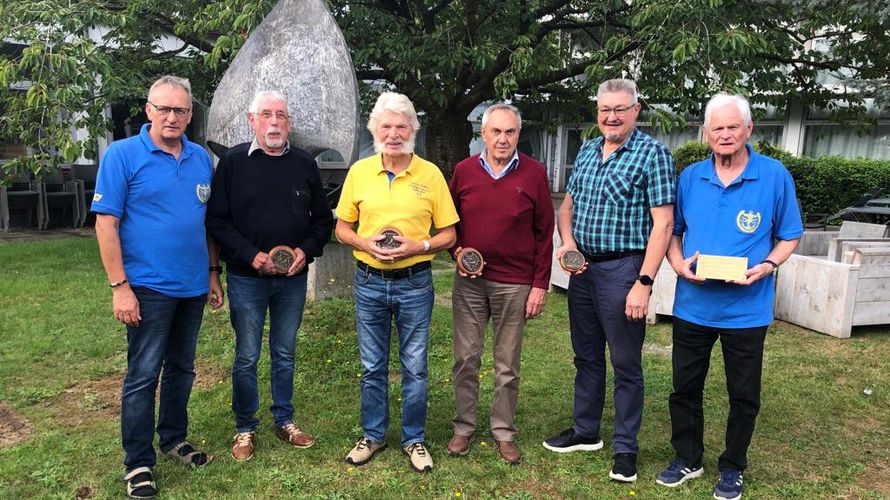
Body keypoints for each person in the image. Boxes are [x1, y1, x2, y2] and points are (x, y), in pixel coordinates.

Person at [655, 93, 802, 500]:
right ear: (705, 134)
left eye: (732, 127)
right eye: (716, 128)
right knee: (684, 388)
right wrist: (680, 265)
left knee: (744, 395)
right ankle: (687, 458)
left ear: (748, 130)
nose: (724, 135)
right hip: (693, 305)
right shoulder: (689, 178)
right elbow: (674, 233)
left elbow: (789, 234)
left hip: (747, 312)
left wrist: (767, 266)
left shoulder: (774, 176)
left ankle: (733, 466)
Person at [92, 75, 223, 500]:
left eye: (180, 110)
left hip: (191, 286)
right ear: (148, 109)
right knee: (143, 374)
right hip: (146, 287)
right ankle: (138, 463)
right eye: (163, 108)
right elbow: (105, 224)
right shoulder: (122, 155)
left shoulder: (202, 159)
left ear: (189, 115)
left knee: (182, 369)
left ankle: (172, 439)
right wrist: (119, 286)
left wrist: (212, 273)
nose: (172, 117)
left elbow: (205, 224)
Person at [543, 78, 676, 483]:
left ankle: (625, 447)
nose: (611, 116)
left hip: (624, 270)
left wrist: (644, 281)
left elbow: (664, 223)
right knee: (585, 355)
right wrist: (568, 246)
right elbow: (566, 207)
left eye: (620, 109)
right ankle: (586, 431)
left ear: (636, 111)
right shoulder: (585, 151)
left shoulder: (653, 155)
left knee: (625, 362)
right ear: (597, 113)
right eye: (605, 110)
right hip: (583, 271)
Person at [206, 90, 334, 462]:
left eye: (281, 115)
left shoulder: (304, 164)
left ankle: (284, 420)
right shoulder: (232, 163)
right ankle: (245, 427)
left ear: (289, 123)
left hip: (292, 278)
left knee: (285, 351)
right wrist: (251, 255)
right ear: (252, 120)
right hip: (247, 278)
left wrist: (304, 252)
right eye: (266, 115)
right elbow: (217, 220)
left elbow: (322, 221)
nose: (274, 122)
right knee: (247, 355)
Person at [335, 92, 459, 473]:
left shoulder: (430, 174)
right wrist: (362, 240)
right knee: (372, 366)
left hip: (414, 281)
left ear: (413, 131)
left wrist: (418, 245)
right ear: (374, 130)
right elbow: (341, 227)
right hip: (370, 281)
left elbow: (449, 235)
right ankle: (373, 435)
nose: (393, 133)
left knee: (416, 366)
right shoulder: (359, 172)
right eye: (386, 126)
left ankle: (414, 438)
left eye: (401, 126)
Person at [446, 103, 554, 464]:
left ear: (518, 135)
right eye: (496, 131)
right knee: (465, 358)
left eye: (510, 132)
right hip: (470, 284)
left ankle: (504, 432)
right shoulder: (463, 171)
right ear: (483, 134)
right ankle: (463, 428)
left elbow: (545, 233)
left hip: (514, 283)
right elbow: (450, 225)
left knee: (507, 363)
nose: (503, 139)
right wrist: (458, 253)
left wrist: (540, 284)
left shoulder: (535, 174)